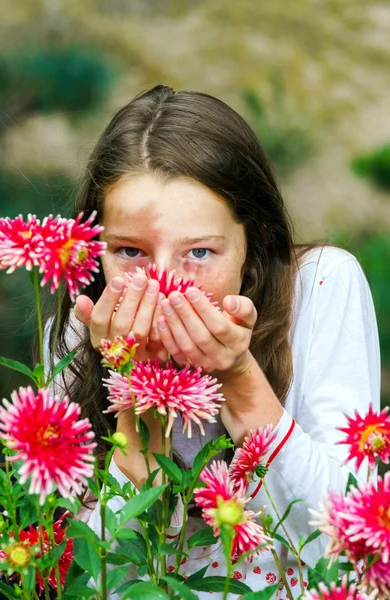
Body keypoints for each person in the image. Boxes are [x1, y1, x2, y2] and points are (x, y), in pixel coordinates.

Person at [45, 85, 381, 598]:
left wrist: (241, 378)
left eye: (199, 252)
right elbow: (85, 581)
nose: (162, 284)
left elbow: (350, 548)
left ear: (256, 243)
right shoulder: (81, 327)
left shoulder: (319, 289)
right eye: (130, 251)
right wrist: (133, 405)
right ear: (95, 251)